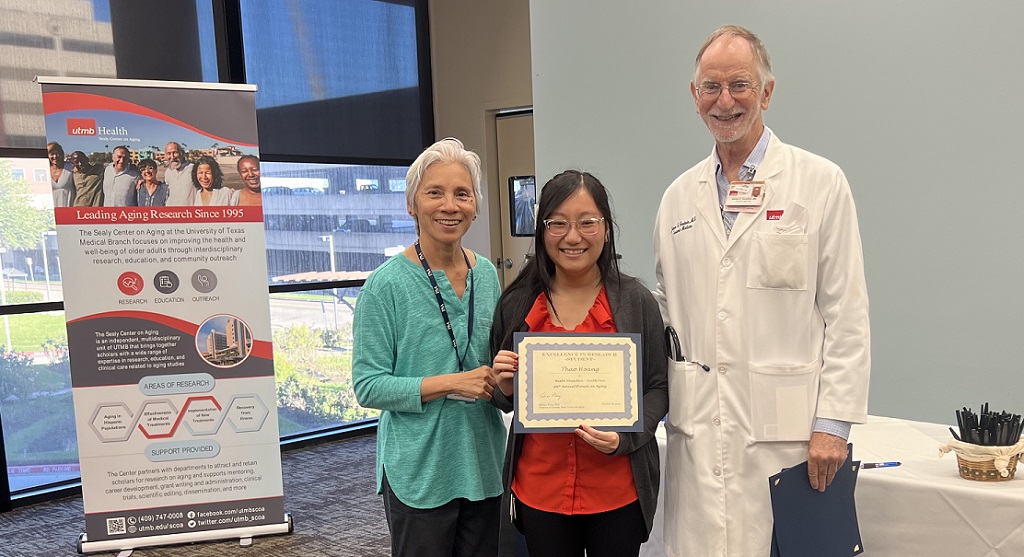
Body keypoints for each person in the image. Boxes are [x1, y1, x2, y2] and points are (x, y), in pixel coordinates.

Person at [653, 25, 870, 556]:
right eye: (711, 87)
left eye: (740, 85)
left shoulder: (819, 183)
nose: (724, 101)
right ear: (694, 96)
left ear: (767, 92)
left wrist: (832, 426)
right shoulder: (679, 198)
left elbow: (846, 311)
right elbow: (663, 311)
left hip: (789, 435)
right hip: (699, 431)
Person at [490, 170, 668, 557]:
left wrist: (626, 439)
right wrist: (503, 387)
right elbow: (503, 399)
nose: (573, 237)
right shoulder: (517, 303)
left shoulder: (636, 302)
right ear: (541, 230)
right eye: (558, 223)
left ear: (606, 228)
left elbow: (658, 388)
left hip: (617, 489)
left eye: (587, 222)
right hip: (541, 489)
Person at [352, 137, 506, 557]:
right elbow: (368, 386)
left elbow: (491, 363)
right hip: (419, 471)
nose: (449, 205)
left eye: (462, 194)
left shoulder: (488, 275)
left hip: (483, 462)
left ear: (475, 206)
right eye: (434, 192)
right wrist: (449, 383)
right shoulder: (385, 286)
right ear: (411, 204)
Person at [48, 142, 75, 207]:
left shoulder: (71, 168)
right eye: (52, 154)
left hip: (69, 208)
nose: (55, 156)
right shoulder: (45, 170)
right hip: (52, 210)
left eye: (57, 153)